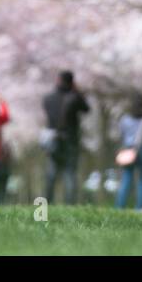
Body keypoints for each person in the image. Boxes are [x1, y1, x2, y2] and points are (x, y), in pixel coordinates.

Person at [42, 70, 89, 204]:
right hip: (70, 140)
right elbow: (86, 109)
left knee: (51, 175)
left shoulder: (48, 98)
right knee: (70, 174)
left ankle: (45, 206)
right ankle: (70, 205)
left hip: (53, 140)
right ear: (72, 82)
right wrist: (77, 92)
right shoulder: (75, 97)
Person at [114, 94, 142, 210]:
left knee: (126, 178)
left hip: (128, 149)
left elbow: (121, 136)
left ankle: (120, 207)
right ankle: (139, 208)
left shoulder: (125, 119)